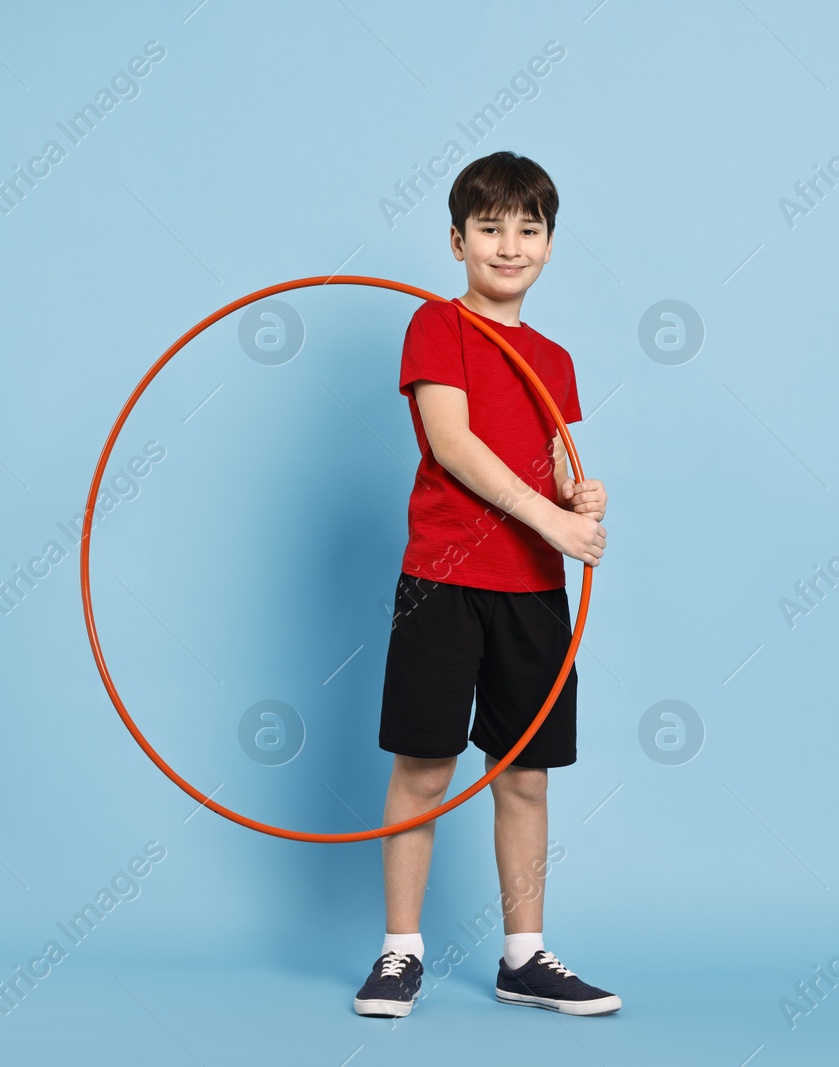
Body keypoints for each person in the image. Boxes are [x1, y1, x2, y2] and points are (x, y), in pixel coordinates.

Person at [352, 150, 619, 1019]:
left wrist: (581, 495)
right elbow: (456, 446)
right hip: (443, 582)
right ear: (458, 239)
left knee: (527, 774)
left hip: (533, 593)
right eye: (491, 229)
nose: (510, 245)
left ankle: (525, 955)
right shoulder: (437, 327)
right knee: (425, 765)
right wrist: (555, 522)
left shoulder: (556, 358)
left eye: (528, 230)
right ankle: (399, 954)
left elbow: (551, 463)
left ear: (549, 245)